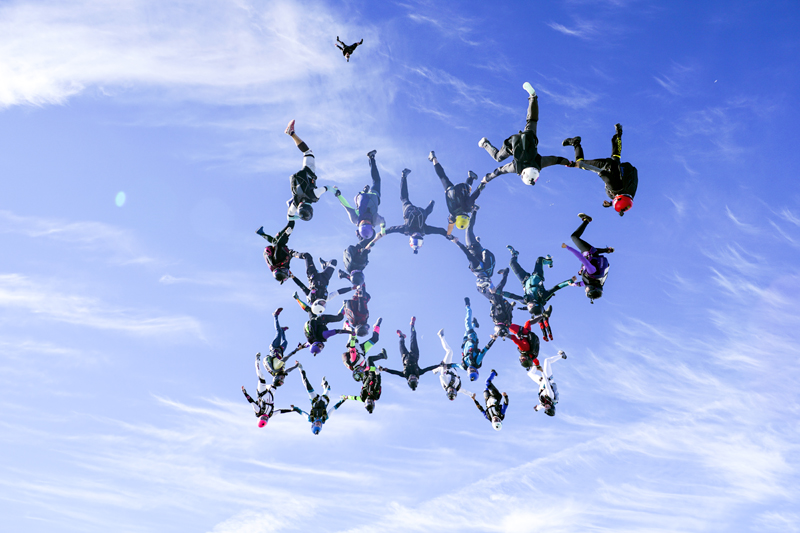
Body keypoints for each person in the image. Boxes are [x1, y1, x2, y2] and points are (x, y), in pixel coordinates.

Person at [478, 83, 571, 189]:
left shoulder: (540, 163)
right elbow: (499, 170)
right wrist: (487, 178)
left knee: (532, 120)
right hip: (513, 142)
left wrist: (568, 163)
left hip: (528, 136)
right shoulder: (515, 168)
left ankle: (533, 97)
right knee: (497, 158)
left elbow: (556, 160)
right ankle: (484, 143)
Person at [368, 168, 451, 254]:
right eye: (419, 239)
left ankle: (404, 177)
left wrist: (383, 233)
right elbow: (439, 230)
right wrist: (448, 235)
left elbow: (393, 229)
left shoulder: (406, 230)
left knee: (404, 198)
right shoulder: (424, 230)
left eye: (415, 239)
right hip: (421, 212)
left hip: (409, 209)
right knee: (427, 211)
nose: (417, 235)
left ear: (411, 239)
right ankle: (432, 204)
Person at [562, 123, 638, 216]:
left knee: (616, 155)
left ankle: (619, 133)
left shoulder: (629, 195)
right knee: (580, 162)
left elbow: (621, 201)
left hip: (616, 168)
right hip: (605, 166)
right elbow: (600, 172)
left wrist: (611, 204)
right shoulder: (614, 187)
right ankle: (575, 142)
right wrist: (577, 165)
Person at [502, 246, 574, 341]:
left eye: (528, 307)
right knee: (539, 259)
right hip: (537, 275)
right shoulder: (542, 297)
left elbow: (512, 296)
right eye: (531, 306)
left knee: (512, 263)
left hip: (524, 279)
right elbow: (556, 288)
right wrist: (568, 282)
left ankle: (515, 254)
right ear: (536, 305)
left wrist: (500, 292)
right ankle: (549, 262)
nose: (528, 305)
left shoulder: (525, 301)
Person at [276, 364, 347, 435]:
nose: (319, 423)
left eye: (317, 424)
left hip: (315, 400)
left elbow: (301, 412)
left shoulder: (310, 418)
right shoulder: (325, 418)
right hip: (324, 400)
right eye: (320, 425)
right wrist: (342, 401)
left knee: (307, 384)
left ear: (313, 424)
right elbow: (333, 409)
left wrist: (294, 408)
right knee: (328, 387)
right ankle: (323, 384)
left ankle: (301, 370)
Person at [332, 150, 385, 242]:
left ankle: (364, 191)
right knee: (376, 180)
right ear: (371, 226)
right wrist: (382, 230)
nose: (365, 221)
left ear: (359, 225)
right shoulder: (376, 220)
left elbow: (346, 206)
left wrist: (338, 195)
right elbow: (383, 222)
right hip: (374, 195)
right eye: (367, 223)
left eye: (363, 223)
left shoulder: (355, 219)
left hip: (362, 197)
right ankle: (371, 157)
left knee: (363, 196)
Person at [283, 120, 329, 221]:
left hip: (307, 173)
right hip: (296, 179)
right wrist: (298, 216)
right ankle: (289, 201)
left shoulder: (314, 197)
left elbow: (327, 188)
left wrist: (335, 190)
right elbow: (289, 217)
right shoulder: (295, 205)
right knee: (292, 201)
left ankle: (291, 133)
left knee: (308, 152)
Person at [562, 213, 613, 303]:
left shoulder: (593, 280)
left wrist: (572, 284)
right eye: (587, 290)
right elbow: (582, 258)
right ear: (592, 287)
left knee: (592, 252)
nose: (585, 289)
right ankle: (587, 220)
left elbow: (581, 284)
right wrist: (567, 247)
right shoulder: (592, 272)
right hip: (588, 252)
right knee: (574, 237)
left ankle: (607, 250)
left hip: (591, 253)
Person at [427, 151, 482, 234]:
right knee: (442, 176)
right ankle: (433, 158)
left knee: (467, 191)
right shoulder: (452, 214)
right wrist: (448, 234)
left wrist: (480, 188)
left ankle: (471, 177)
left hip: (462, 189)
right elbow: (450, 223)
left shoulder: (468, 209)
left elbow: (473, 198)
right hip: (450, 190)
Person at [379, 317, 440, 390]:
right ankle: (412, 325)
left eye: (411, 379)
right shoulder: (419, 372)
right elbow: (429, 368)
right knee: (413, 338)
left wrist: (385, 369)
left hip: (405, 357)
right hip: (414, 354)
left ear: (408, 380)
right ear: (417, 379)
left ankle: (402, 336)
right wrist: (440, 365)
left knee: (401, 343)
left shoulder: (405, 374)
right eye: (414, 378)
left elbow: (395, 373)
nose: (413, 377)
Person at [451, 207, 496, 291]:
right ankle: (474, 211)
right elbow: (468, 254)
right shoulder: (477, 268)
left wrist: (491, 288)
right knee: (469, 229)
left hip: (479, 249)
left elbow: (491, 285)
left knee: (472, 235)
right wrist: (457, 242)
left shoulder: (488, 275)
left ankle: (478, 241)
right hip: (473, 247)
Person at [262, 307, 302, 387]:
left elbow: (286, 358)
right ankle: (283, 331)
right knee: (285, 342)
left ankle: (275, 315)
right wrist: (295, 366)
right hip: (280, 351)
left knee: (278, 332)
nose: (283, 378)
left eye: (280, 378)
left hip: (274, 348)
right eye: (283, 380)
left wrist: (296, 350)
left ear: (276, 377)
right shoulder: (281, 372)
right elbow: (288, 370)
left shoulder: (277, 368)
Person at [461, 297, 497, 381]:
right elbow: (484, 351)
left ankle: (474, 324)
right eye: (473, 370)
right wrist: (493, 340)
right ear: (476, 370)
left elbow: (454, 365)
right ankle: (467, 306)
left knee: (467, 328)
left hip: (465, 341)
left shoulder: (464, 366)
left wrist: (445, 365)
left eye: (470, 371)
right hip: (472, 338)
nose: (470, 369)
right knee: (466, 322)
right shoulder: (477, 362)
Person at [241, 352, 278, 428]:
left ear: (259, 418)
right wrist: (292, 410)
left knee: (262, 377)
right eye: (266, 419)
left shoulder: (258, 411)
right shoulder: (270, 414)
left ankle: (257, 361)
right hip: (270, 394)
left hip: (262, 392)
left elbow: (251, 401)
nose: (265, 417)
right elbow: (280, 411)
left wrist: (245, 393)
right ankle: (275, 366)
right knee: (276, 382)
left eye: (263, 418)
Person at [528, 350, 567, 416]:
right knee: (547, 361)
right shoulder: (550, 396)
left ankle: (535, 363)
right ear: (551, 406)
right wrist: (542, 371)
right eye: (548, 408)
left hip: (540, 382)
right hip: (547, 378)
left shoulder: (543, 404)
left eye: (546, 409)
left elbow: (539, 407)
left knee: (530, 373)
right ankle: (562, 355)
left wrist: (536, 409)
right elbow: (547, 383)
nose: (546, 407)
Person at [481, 268, 515, 337]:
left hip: (499, 299)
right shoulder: (499, 318)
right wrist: (494, 295)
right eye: (497, 330)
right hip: (495, 298)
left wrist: (495, 335)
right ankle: (484, 275)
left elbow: (508, 312)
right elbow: (498, 306)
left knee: (500, 285)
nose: (495, 329)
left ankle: (505, 273)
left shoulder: (507, 323)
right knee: (481, 289)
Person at [433, 328, 462, 401]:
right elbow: (464, 391)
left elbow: (442, 375)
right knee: (449, 352)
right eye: (453, 391)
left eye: (450, 391)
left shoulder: (446, 383)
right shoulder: (457, 386)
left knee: (449, 352)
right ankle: (435, 370)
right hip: (451, 367)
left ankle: (441, 336)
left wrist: (443, 366)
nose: (451, 390)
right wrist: (471, 395)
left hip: (447, 367)